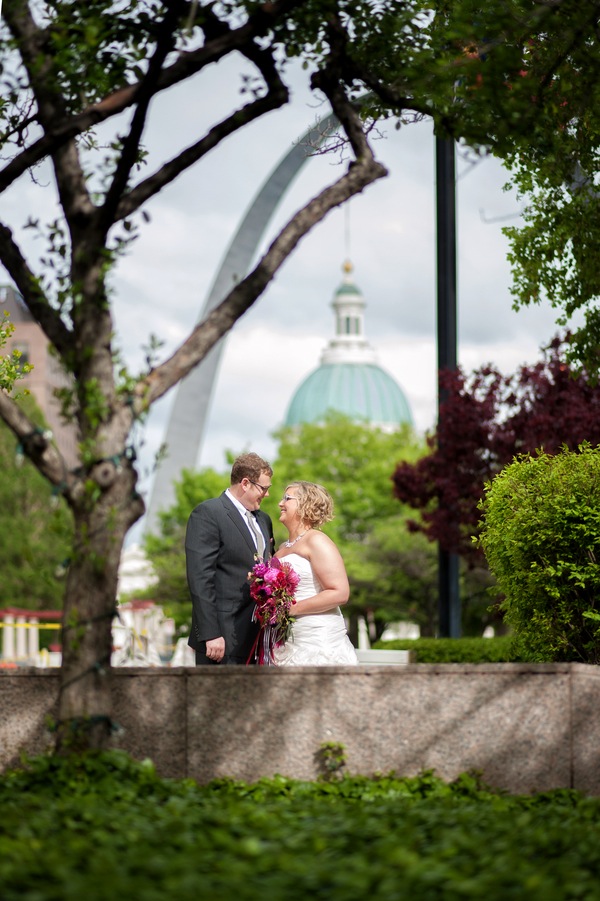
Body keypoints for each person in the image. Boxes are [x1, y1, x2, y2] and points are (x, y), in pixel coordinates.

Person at [186, 452, 274, 665]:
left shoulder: (264, 519)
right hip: (221, 638)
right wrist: (211, 633)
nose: (267, 495)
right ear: (245, 483)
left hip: (258, 638)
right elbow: (200, 578)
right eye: (264, 488)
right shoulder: (209, 513)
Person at [273, 481, 358, 666]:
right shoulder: (281, 549)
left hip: (318, 639)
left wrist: (291, 609)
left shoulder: (317, 540)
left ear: (305, 504)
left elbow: (339, 592)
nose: (281, 503)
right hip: (286, 638)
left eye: (287, 498)